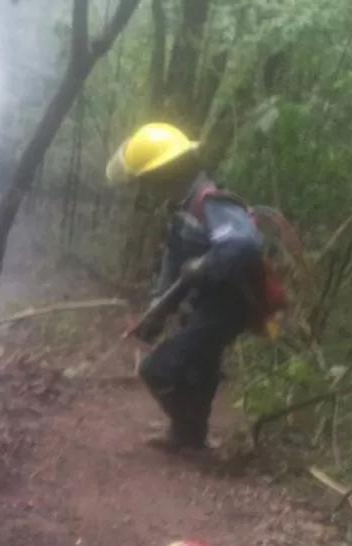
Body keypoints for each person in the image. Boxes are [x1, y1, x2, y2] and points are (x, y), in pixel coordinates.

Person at [105, 122, 274, 453]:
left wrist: (205, 264)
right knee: (199, 370)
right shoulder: (180, 209)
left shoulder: (212, 202)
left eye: (146, 182)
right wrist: (156, 311)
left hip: (228, 306)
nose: (145, 191)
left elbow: (245, 246)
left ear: (164, 173)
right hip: (205, 303)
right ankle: (188, 437)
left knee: (159, 369)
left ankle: (193, 436)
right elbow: (173, 264)